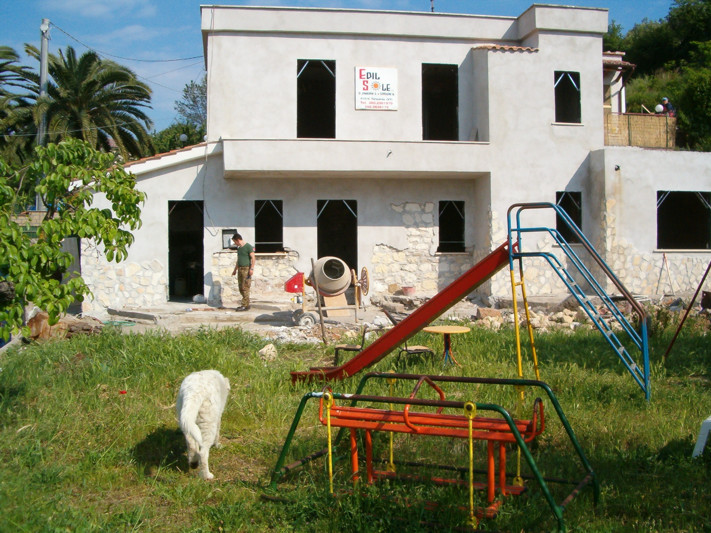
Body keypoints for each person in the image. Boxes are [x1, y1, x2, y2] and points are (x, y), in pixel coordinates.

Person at [230, 233, 255, 311]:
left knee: (245, 287)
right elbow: (238, 260)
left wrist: (251, 269)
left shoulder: (248, 246)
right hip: (240, 269)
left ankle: (245, 304)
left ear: (238, 240)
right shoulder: (239, 249)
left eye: (235, 241)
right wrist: (235, 270)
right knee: (240, 287)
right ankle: (246, 304)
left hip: (246, 269)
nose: (235, 243)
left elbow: (253, 258)